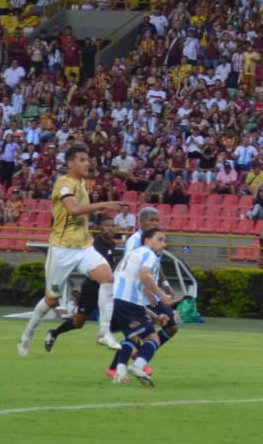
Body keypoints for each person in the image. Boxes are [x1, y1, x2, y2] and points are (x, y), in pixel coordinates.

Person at [19, 144, 125, 357]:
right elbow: (73, 209)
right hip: (62, 249)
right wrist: (103, 205)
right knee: (51, 300)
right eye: (82, 160)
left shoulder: (82, 184)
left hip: (84, 247)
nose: (87, 163)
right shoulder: (64, 183)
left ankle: (103, 333)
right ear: (70, 163)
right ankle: (27, 334)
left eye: (88, 160)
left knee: (107, 278)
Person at [105, 226, 172, 386]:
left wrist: (155, 317)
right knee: (153, 338)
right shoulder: (148, 253)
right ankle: (137, 366)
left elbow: (136, 291)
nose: (163, 245)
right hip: (128, 303)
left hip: (115, 301)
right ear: (147, 241)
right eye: (160, 240)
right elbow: (144, 275)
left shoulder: (132, 255)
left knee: (132, 336)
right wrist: (162, 295)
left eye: (164, 241)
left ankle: (119, 374)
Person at [43, 217, 119, 352]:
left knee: (118, 312)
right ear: (100, 227)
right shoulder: (94, 244)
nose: (110, 228)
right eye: (107, 225)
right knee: (79, 322)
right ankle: (54, 333)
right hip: (92, 287)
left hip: (106, 287)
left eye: (113, 225)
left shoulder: (112, 244)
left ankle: (109, 336)